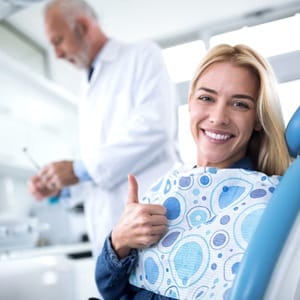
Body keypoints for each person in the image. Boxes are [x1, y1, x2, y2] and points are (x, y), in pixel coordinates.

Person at [94, 44, 291, 299]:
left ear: (257, 119)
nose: (218, 117)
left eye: (240, 104)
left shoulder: (269, 203)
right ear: (190, 103)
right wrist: (118, 241)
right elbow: (110, 290)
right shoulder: (168, 189)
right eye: (206, 98)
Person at [28, 0, 180, 255]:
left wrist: (77, 169)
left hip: (151, 227)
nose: (57, 54)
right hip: (110, 237)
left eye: (58, 41)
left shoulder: (141, 55)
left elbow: (155, 128)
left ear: (84, 26)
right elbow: (100, 170)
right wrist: (61, 185)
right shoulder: (86, 88)